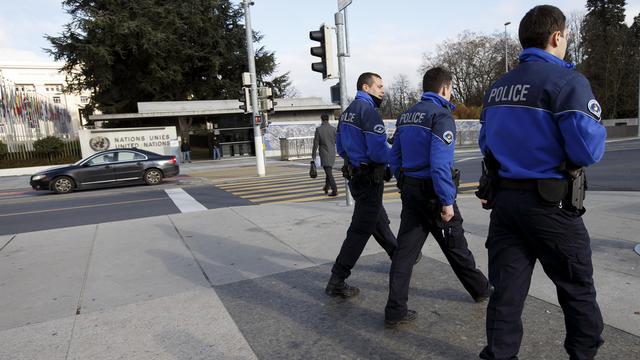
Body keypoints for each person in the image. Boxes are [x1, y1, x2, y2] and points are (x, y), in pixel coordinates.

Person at [477, 5, 606, 359]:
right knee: (577, 289)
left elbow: (486, 144)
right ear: (556, 36)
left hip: (506, 207)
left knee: (506, 294)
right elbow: (586, 151)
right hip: (551, 208)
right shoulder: (567, 82)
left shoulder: (497, 88)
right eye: (565, 36)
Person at [384, 67, 491, 328]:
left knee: (405, 254)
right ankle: (482, 290)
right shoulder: (441, 116)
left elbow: (394, 156)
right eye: (451, 88)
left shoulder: (406, 115)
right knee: (455, 244)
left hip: (410, 190)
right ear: (444, 88)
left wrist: (404, 181)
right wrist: (446, 201)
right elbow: (440, 164)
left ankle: (395, 310)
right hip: (433, 192)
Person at [325, 72, 397, 298]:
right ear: (365, 87)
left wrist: (355, 160)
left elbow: (340, 147)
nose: (382, 90)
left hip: (355, 177)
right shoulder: (369, 113)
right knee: (360, 229)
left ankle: (400, 255)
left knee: (377, 219)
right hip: (369, 178)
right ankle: (338, 278)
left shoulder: (347, 113)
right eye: (379, 86)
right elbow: (378, 151)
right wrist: (391, 161)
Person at [312, 114, 338, 196]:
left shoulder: (319, 130)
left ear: (321, 119)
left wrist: (313, 155)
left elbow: (316, 143)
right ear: (328, 119)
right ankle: (326, 188)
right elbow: (337, 141)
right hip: (332, 153)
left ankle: (334, 189)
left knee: (328, 172)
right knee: (328, 171)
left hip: (324, 153)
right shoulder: (333, 129)